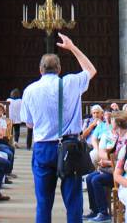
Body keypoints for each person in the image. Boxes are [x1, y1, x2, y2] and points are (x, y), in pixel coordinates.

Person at [21, 33, 97, 223]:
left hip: (43, 148)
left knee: (44, 202)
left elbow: (29, 123)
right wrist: (71, 47)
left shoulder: (30, 90)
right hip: (69, 147)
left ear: (40, 70)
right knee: (73, 202)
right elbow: (91, 70)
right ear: (59, 69)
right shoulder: (71, 82)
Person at [84, 112, 127, 222]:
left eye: (113, 120)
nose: (111, 122)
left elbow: (125, 161)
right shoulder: (118, 137)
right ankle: (95, 210)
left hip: (121, 174)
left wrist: (108, 163)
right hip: (112, 169)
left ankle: (103, 212)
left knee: (96, 180)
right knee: (89, 178)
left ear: (117, 123)